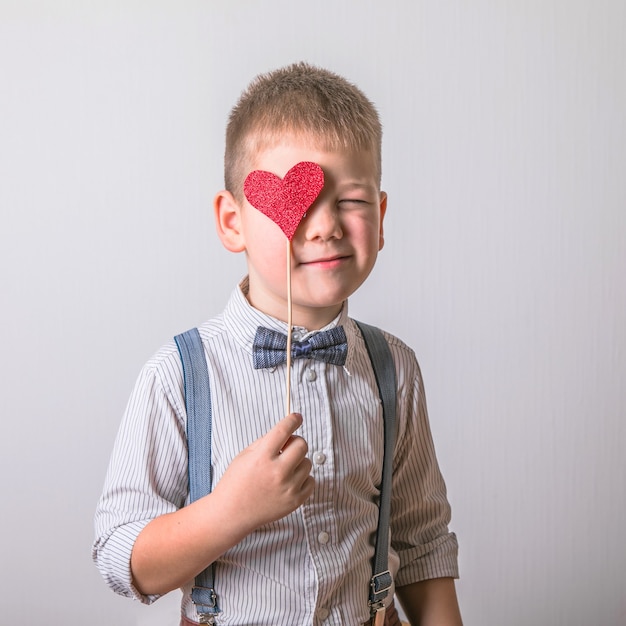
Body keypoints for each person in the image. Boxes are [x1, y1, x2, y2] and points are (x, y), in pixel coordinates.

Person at [93, 62, 462, 626]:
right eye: (299, 203)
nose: (324, 227)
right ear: (233, 221)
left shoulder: (395, 370)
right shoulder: (178, 375)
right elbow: (123, 559)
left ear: (381, 218)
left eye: (352, 201)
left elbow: (420, 542)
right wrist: (228, 512)